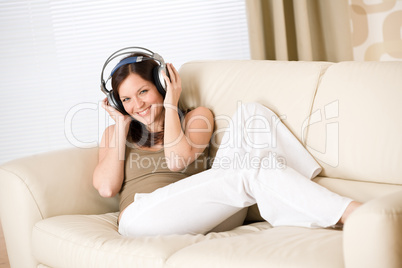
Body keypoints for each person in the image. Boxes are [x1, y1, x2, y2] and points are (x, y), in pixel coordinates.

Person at [93, 52, 362, 237]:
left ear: (162, 86)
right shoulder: (116, 134)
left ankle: (297, 193)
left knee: (252, 113)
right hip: (144, 219)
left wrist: (171, 104)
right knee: (251, 170)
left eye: (143, 92)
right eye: (126, 99)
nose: (137, 105)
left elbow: (178, 159)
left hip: (212, 214)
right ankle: (352, 213)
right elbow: (107, 188)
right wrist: (120, 127)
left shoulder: (196, 117)